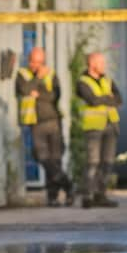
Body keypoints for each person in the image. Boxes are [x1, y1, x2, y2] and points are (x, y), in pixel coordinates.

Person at [15, 47, 73, 207]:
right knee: (42, 157)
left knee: (55, 159)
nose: (36, 65)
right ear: (29, 60)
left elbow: (54, 96)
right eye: (34, 61)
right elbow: (24, 89)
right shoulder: (22, 74)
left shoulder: (52, 74)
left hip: (53, 120)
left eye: (40, 62)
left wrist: (38, 93)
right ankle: (67, 184)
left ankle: (53, 197)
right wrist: (38, 80)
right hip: (35, 122)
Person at [77, 52, 121, 208]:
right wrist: (108, 98)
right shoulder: (83, 82)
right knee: (93, 163)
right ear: (92, 64)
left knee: (107, 163)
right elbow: (92, 100)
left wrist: (105, 99)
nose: (104, 66)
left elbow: (119, 99)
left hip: (111, 125)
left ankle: (100, 195)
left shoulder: (107, 80)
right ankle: (87, 196)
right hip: (94, 127)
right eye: (101, 63)